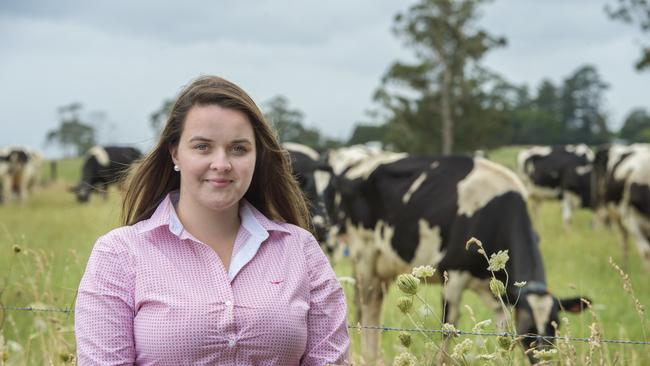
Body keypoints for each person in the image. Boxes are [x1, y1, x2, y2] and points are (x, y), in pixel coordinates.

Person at [74, 75, 350, 365]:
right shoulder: (119, 254)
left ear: (257, 156)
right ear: (175, 153)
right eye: (202, 147)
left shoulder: (301, 250)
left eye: (239, 148)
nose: (221, 164)